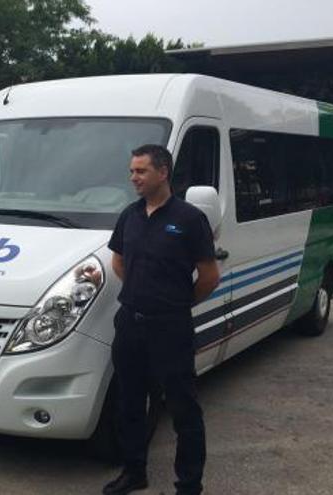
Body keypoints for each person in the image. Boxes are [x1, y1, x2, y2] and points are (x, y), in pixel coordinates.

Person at [101, 144, 220, 495]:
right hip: (130, 324)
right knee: (130, 403)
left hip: (170, 327)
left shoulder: (188, 219)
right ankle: (134, 471)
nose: (133, 178)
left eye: (141, 171)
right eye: (132, 171)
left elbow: (209, 276)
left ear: (163, 172)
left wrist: (177, 303)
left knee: (183, 408)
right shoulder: (130, 216)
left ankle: (189, 485)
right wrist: (140, 293)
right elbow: (119, 262)